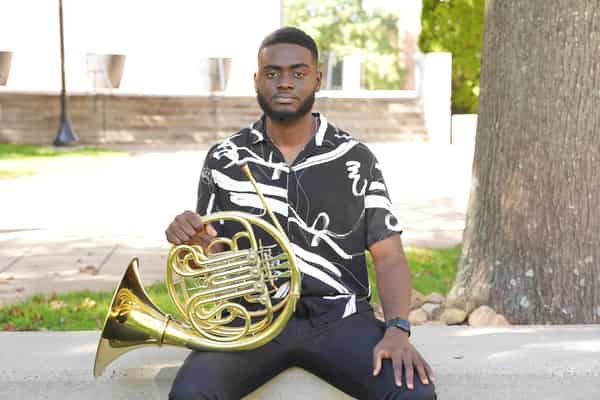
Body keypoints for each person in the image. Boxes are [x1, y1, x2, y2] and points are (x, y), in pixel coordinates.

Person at [165, 27, 436, 400]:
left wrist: (397, 330)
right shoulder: (224, 158)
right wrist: (197, 242)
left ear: (317, 79)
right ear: (257, 80)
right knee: (190, 394)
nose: (285, 82)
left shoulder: (355, 158)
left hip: (339, 318)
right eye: (272, 73)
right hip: (252, 320)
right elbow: (217, 257)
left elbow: (388, 256)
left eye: (298, 72)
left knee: (414, 393)